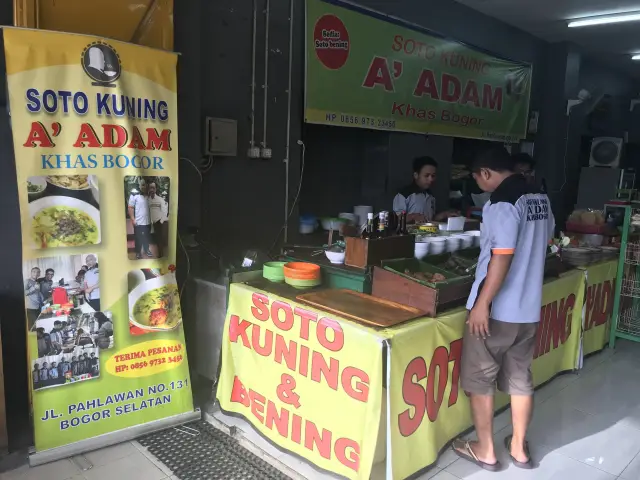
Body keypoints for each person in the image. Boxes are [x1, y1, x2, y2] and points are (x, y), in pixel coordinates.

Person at [453, 146, 554, 471]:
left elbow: (503, 255)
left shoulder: (501, 203)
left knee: (481, 380)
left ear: (485, 173)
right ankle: (519, 449)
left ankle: (485, 450)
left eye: (477, 178)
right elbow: (545, 240)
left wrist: (482, 304)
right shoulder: (540, 197)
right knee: (520, 379)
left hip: (497, 313)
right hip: (527, 310)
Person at [393, 156, 458, 223]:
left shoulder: (431, 196)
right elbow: (396, 219)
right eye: (426, 175)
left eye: (433, 176)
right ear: (416, 175)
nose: (431, 179)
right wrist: (413, 216)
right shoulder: (404, 195)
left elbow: (429, 220)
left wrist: (444, 214)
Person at [128, 182, 152, 259]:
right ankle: (138, 252)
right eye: (142, 185)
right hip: (138, 222)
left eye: (145, 185)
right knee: (138, 238)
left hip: (148, 222)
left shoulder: (150, 195)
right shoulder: (134, 194)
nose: (144, 187)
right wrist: (132, 219)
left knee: (147, 237)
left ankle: (146, 250)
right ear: (139, 185)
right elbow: (130, 207)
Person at [148, 182, 169, 258]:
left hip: (158, 223)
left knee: (159, 240)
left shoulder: (160, 200)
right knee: (155, 240)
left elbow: (164, 211)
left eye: (153, 188)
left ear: (156, 189)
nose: (152, 189)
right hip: (150, 223)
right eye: (150, 188)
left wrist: (161, 221)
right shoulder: (148, 200)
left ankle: (161, 255)